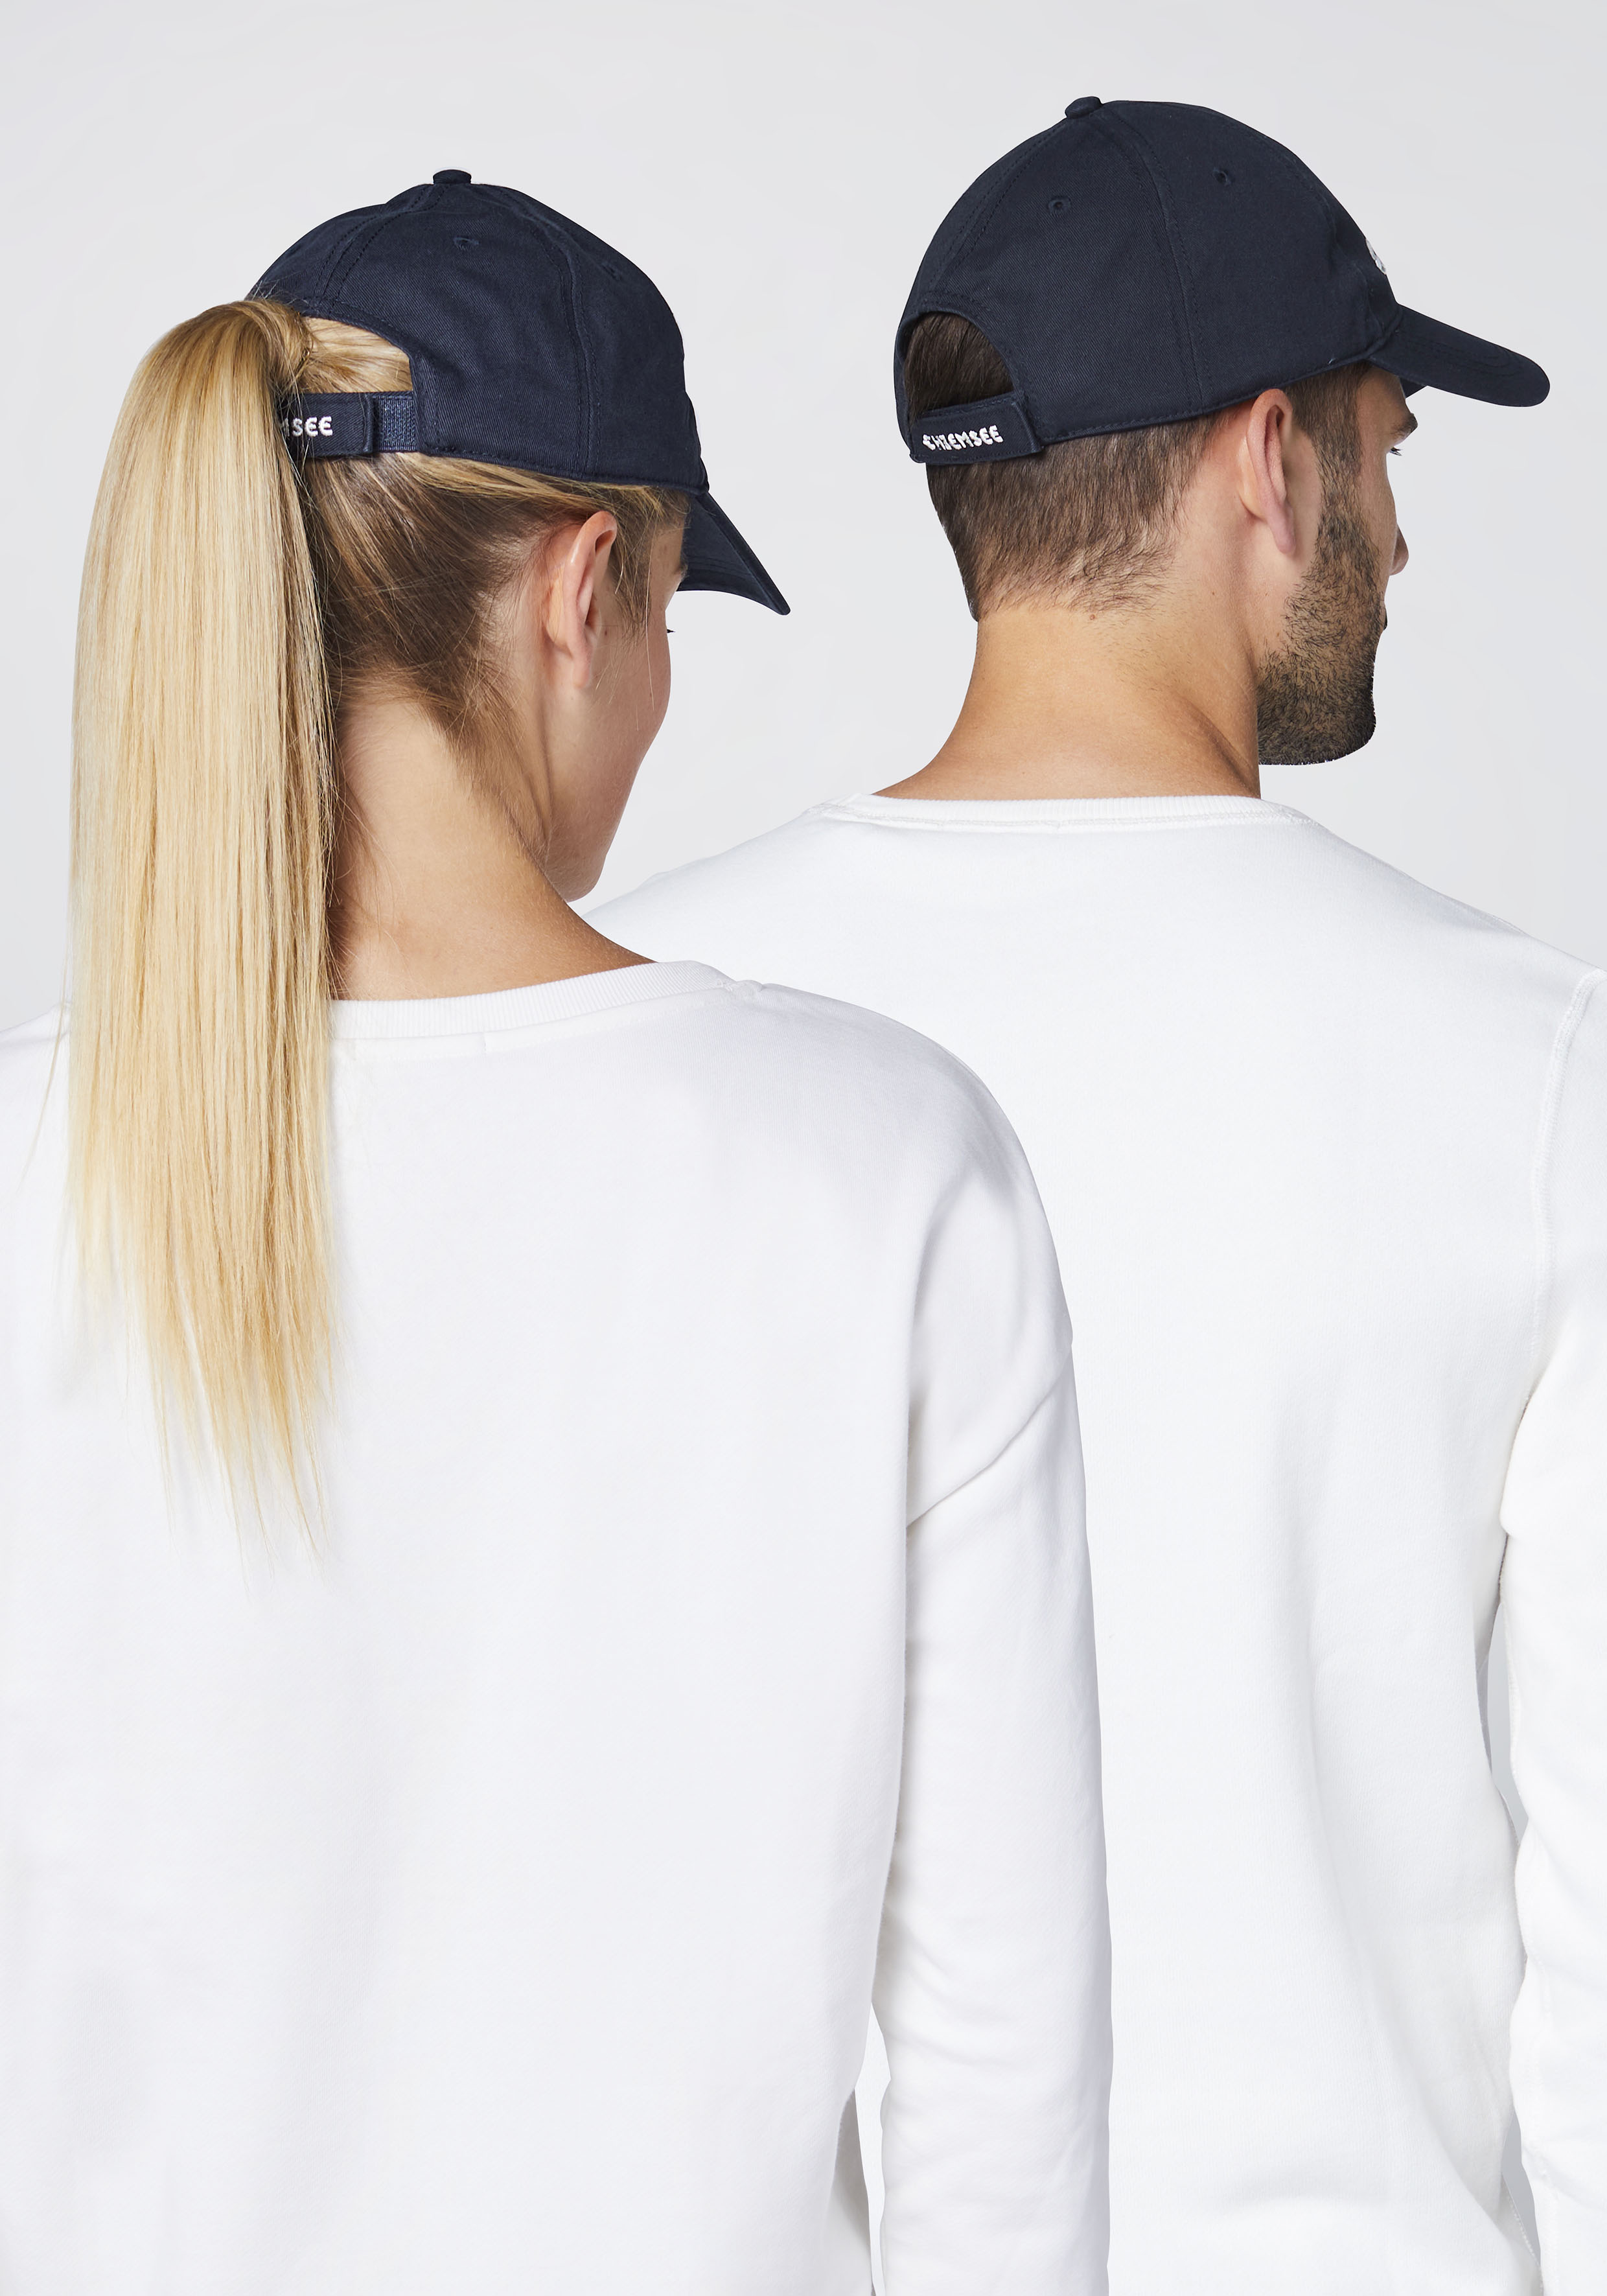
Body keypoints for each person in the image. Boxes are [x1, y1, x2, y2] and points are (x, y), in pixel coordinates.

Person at [0, 173, 1111, 2295]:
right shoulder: (887, 1173)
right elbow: (998, 2100)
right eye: (675, 611)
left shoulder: (28, 1167)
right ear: (585, 588)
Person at [594, 99, 1606, 2295]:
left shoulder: (645, 1010)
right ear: (1268, 464)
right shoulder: (1535, 1067)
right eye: (1388, 447)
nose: (1401, 533)